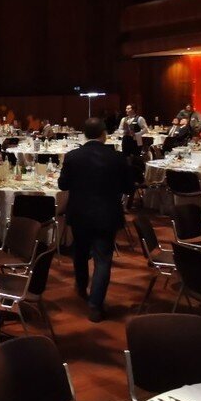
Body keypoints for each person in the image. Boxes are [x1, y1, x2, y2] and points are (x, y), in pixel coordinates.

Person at [58, 117, 133, 323]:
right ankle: (95, 305)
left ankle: (81, 288)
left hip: (80, 214)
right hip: (106, 215)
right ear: (104, 134)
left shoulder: (73, 156)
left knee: (80, 254)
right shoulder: (117, 158)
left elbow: (63, 185)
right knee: (103, 260)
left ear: (84, 134)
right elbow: (129, 188)